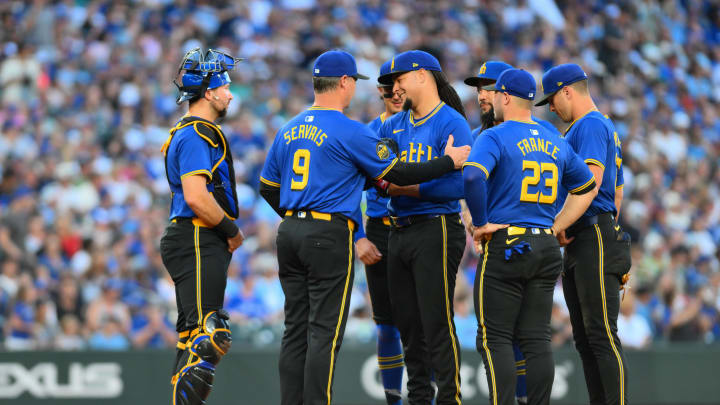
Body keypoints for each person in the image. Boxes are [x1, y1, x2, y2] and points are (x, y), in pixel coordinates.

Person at [258, 49, 470, 405]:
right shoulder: (353, 130)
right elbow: (396, 174)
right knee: (326, 331)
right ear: (343, 82)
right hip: (333, 233)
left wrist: (298, 214)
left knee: (295, 331)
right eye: (354, 82)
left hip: (293, 231)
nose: (359, 90)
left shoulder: (288, 127)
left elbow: (267, 187)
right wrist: (448, 160)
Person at [463, 68, 598, 405]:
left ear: (505, 97)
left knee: (494, 338)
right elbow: (585, 187)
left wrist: (479, 222)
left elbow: (471, 178)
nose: (491, 99)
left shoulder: (494, 135)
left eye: (495, 94)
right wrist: (555, 225)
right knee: (537, 338)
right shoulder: (553, 136)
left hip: (507, 243)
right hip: (545, 244)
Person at [376, 49, 473, 405]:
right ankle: (419, 399)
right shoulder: (392, 125)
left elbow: (460, 186)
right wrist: (417, 179)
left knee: (436, 322)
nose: (395, 88)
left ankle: (449, 399)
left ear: (421, 75)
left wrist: (406, 187)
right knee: (408, 326)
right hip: (397, 228)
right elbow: (382, 180)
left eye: (399, 79)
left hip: (437, 226)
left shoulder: (452, 123)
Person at [535, 63, 631, 405]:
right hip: (587, 235)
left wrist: (557, 226)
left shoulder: (588, 125)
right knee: (587, 338)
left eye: (551, 99)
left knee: (601, 336)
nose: (550, 107)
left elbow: (590, 184)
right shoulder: (598, 125)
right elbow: (617, 194)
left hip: (593, 236)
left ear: (567, 91)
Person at [159, 48, 245, 405]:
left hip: (194, 236)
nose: (229, 94)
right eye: (225, 87)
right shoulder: (197, 134)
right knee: (208, 335)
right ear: (209, 93)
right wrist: (231, 231)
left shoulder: (191, 131)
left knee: (193, 337)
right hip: (197, 233)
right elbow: (197, 196)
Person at [360, 59, 407, 405]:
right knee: (387, 325)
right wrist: (358, 237)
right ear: (380, 91)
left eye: (400, 84)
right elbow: (345, 189)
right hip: (379, 230)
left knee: (424, 326)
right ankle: (393, 399)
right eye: (388, 86)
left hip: (418, 228)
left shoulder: (426, 128)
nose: (395, 92)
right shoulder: (367, 133)